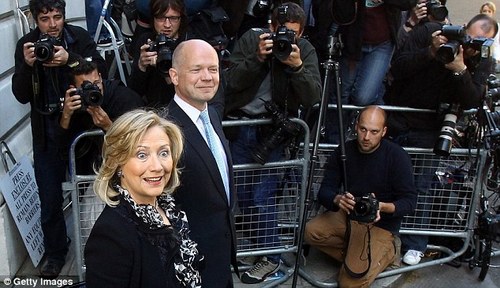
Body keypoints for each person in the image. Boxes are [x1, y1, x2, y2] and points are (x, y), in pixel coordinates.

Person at [385, 13, 498, 266]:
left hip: (430, 128)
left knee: (420, 186)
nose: (471, 46)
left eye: (481, 42)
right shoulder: (431, 32)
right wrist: (429, 53)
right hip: (398, 116)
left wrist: (460, 71)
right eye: (469, 38)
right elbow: (398, 67)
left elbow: (473, 100)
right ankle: (383, 235)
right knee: (388, 179)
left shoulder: (482, 62)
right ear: (462, 28)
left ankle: (416, 244)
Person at [224, 2, 321, 284]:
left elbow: (312, 96)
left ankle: (271, 257)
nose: (284, 39)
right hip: (241, 127)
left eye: (292, 34)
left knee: (261, 197)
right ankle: (261, 247)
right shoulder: (252, 39)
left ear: (301, 33)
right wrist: (257, 58)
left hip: (275, 131)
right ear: (271, 27)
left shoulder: (305, 51)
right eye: (281, 31)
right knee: (242, 195)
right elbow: (229, 83)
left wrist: (297, 66)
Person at [11, 0, 107, 278]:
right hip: (47, 129)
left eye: (57, 17)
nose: (52, 25)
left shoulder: (79, 37)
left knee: (91, 191)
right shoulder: (27, 45)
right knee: (49, 197)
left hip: (81, 127)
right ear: (34, 19)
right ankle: (55, 254)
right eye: (45, 19)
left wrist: (70, 59)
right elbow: (20, 95)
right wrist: (29, 66)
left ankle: (97, 248)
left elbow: (99, 69)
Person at [84, 109, 203, 287]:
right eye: (142, 155)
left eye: (163, 153)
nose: (157, 166)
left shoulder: (169, 208)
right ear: (117, 163)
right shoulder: (110, 234)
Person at [304, 106, 417, 288]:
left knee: (349, 283)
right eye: (363, 129)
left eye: (374, 132)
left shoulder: (397, 156)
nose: (366, 137)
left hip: (381, 224)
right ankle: (358, 258)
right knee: (310, 232)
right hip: (350, 214)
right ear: (356, 126)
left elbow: (410, 202)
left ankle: (387, 252)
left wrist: (382, 206)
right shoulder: (345, 151)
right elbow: (325, 190)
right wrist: (337, 199)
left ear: (384, 131)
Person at [163, 39, 238, 288]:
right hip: (189, 267)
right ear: (174, 76)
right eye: (196, 70)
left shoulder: (212, 114)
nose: (207, 77)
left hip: (221, 257)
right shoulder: (164, 130)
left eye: (213, 69)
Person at [61, 60, 144, 174]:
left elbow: (140, 143)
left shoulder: (124, 98)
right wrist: (66, 115)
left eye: (96, 84)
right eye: (86, 87)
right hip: (87, 170)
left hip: (124, 167)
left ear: (100, 78)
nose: (94, 90)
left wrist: (109, 126)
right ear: (74, 88)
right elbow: (61, 150)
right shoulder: (74, 103)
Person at [128, 0, 188, 107]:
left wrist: (166, 72)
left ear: (181, 19)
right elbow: (133, 93)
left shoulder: (188, 44)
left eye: (173, 18)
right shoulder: (146, 41)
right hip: (151, 109)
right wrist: (141, 67)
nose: (167, 25)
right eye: (161, 18)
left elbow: (187, 98)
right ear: (153, 19)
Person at [480, 1, 500, 70]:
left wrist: (497, 57)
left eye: (489, 11)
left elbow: (496, 44)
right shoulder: (476, 25)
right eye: (484, 11)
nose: (487, 13)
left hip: (493, 56)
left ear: (492, 13)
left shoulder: (497, 26)